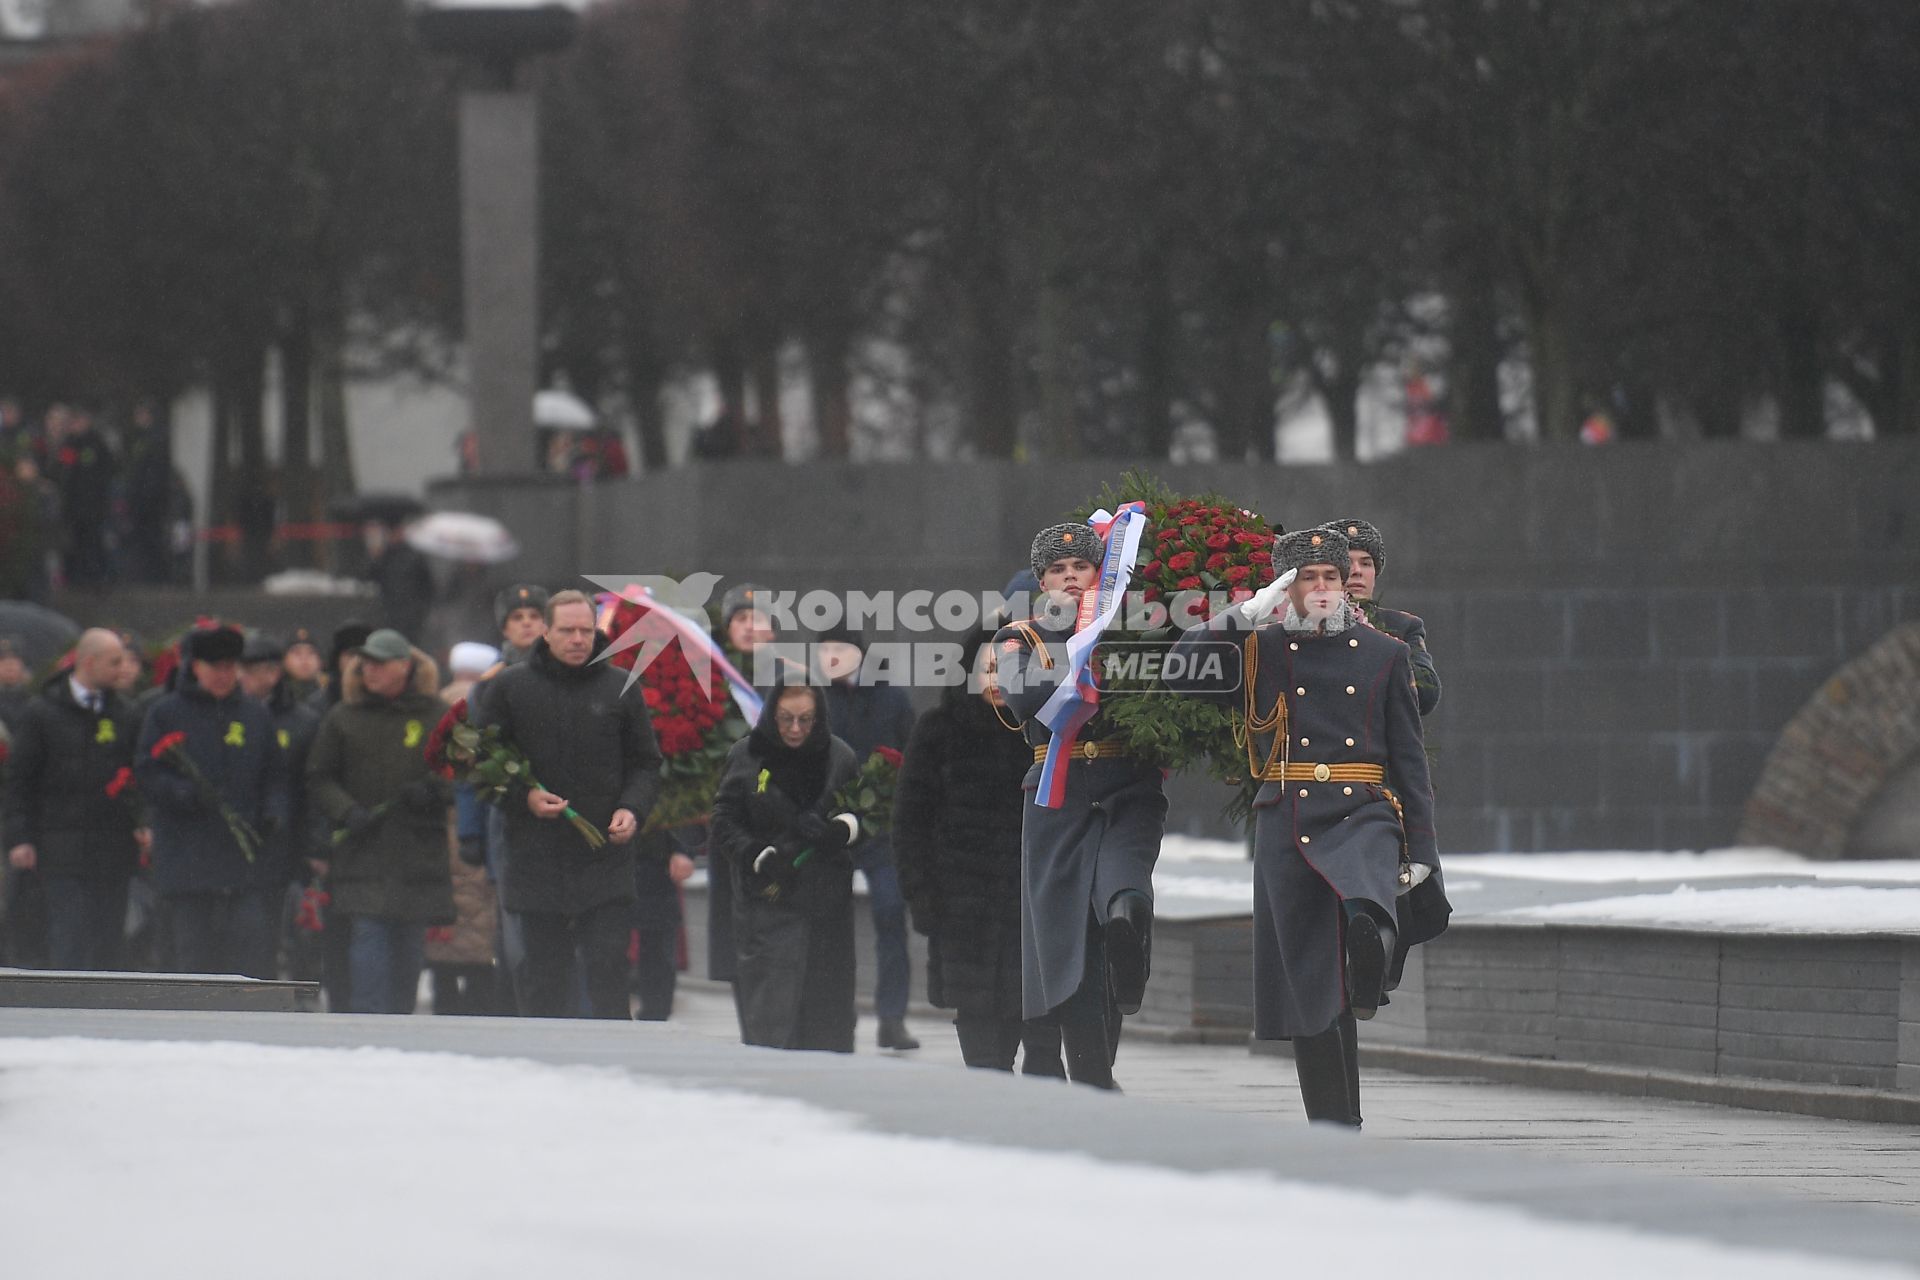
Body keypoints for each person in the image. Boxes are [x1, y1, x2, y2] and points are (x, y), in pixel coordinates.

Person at [1170, 527, 1444, 1128]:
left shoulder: (1385, 652)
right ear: (1285, 590)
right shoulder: (1261, 647)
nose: (1320, 589)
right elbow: (1180, 670)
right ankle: (1333, 1124)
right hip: (1287, 817)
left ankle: (1371, 950)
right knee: (1310, 986)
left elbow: (1410, 758)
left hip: (1362, 806)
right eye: (1305, 580)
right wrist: (1243, 615)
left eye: (1329, 577)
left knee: (1366, 906)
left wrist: (1421, 848)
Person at [992, 522, 1167, 1089]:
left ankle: (1130, 937)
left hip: (1126, 783)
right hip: (1057, 791)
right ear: (1041, 582)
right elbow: (1028, 700)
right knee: (1071, 947)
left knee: (1121, 897)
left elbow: (1163, 686)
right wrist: (1088, 653)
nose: (1069, 578)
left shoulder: (1134, 628)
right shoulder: (1018, 637)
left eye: (1081, 569)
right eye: (1057, 571)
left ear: (1100, 575)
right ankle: (1095, 1074)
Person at [476, 590, 662, 1018]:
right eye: (566, 630)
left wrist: (631, 808)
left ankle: (616, 1070)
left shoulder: (620, 686)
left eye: (585, 630)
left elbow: (646, 763)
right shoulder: (510, 687)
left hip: (605, 858)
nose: (578, 639)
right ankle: (546, 1074)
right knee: (543, 981)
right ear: (545, 630)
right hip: (535, 858)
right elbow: (484, 764)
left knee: (608, 969)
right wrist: (524, 797)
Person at [894, 624, 1064, 1074]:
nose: (997, 681)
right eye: (987, 669)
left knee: (1045, 1054)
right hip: (963, 914)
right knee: (985, 1058)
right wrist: (924, 898)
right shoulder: (939, 731)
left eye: (1008, 669)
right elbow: (911, 822)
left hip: (1034, 912)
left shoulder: (1048, 730)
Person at [307, 629, 455, 1014]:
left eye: (379, 663)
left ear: (404, 667)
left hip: (417, 857)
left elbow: (461, 769)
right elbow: (319, 776)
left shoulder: (437, 715)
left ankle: (398, 1049)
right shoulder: (344, 717)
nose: (368, 670)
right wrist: (345, 810)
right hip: (362, 856)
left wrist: (434, 791)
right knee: (368, 955)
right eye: (365, 663)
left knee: (408, 961)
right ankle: (365, 1042)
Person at [710, 683, 862, 1052]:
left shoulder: (838, 757)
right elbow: (724, 820)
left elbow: (866, 813)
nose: (795, 729)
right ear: (770, 716)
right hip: (766, 908)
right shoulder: (747, 756)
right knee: (771, 1025)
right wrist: (757, 854)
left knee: (828, 1027)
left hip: (826, 913)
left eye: (806, 720)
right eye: (786, 719)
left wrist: (842, 830)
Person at [135, 624, 288, 979]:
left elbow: (275, 774)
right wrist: (182, 793)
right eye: (214, 667)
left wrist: (273, 812)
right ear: (195, 667)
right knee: (193, 957)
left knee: (248, 951)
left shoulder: (254, 715)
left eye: (229, 667)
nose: (223, 675)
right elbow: (147, 771)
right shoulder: (166, 713)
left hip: (243, 859)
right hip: (188, 858)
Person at [2, 629, 148, 971]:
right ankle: (68, 1016)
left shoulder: (125, 714)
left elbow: (140, 776)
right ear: (89, 662)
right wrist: (20, 837)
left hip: (113, 847)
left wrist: (143, 822)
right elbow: (20, 780)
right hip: (60, 849)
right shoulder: (42, 713)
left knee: (110, 938)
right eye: (114, 662)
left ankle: (110, 1017)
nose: (122, 669)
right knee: (69, 935)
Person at [816, 623, 920, 1050]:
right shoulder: (817, 700)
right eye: (823, 652)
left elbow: (911, 757)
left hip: (882, 831)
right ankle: (835, 1015)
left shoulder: (890, 698)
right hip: (831, 829)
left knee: (891, 916)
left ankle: (891, 1018)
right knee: (828, 922)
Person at [240, 631, 323, 976]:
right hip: (233, 844)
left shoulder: (302, 721)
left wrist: (312, 846)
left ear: (272, 674)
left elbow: (311, 789)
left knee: (279, 929)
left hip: (283, 844)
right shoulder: (227, 714)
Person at [705, 582, 775, 986]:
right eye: (741, 619)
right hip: (730, 815)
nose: (750, 628)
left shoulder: (790, 677)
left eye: (759, 619)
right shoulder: (710, 680)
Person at [430, 641, 501, 1015]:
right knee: (482, 914)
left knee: (450, 913)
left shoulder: (436, 704)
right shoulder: (489, 704)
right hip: (481, 819)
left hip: (445, 826)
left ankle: (444, 990)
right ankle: (480, 993)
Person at [1319, 519, 1440, 716]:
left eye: (1366, 563)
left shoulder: (1403, 625)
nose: (1357, 571)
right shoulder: (1302, 623)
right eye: (1346, 562)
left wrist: (1375, 644)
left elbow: (1426, 694)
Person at [363, 520, 434, 644]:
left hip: (410, 614)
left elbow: (428, 586)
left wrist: (420, 609)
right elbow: (370, 577)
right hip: (390, 612)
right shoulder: (384, 556)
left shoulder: (414, 556)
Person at [280, 628, 326, 705]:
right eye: (297, 653)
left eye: (311, 653)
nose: (304, 658)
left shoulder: (329, 695)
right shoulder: (277, 697)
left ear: (320, 662)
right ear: (284, 661)